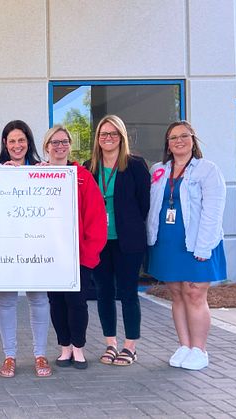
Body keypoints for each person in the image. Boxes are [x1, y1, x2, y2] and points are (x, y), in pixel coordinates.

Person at [147, 121, 227, 371]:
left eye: (184, 136)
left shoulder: (207, 170)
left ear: (193, 140)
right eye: (173, 138)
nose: (178, 141)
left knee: (194, 293)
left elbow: (213, 211)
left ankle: (199, 349)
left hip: (196, 241)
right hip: (168, 241)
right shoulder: (159, 170)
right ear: (167, 145)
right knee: (177, 293)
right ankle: (184, 345)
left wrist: (203, 247)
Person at [85, 115, 150, 366]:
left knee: (128, 293)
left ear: (121, 137)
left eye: (113, 134)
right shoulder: (90, 166)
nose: (108, 138)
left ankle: (130, 346)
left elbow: (144, 204)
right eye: (103, 134)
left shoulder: (134, 165)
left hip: (128, 241)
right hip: (99, 241)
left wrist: (129, 223)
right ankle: (110, 343)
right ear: (98, 139)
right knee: (103, 293)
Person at [42, 125, 107, 370]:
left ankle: (78, 347)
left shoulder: (82, 176)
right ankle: (64, 347)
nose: (60, 146)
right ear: (46, 147)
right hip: (49, 256)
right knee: (56, 302)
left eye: (64, 141)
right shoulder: (36, 175)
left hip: (78, 255)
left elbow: (96, 217)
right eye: (55, 142)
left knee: (77, 302)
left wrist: (89, 255)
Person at [0, 120, 51, 378]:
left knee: (38, 298)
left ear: (29, 143)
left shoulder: (41, 169)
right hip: (5, 244)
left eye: (21, 140)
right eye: (12, 141)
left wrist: (50, 176)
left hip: (35, 244)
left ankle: (40, 354)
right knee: (6, 300)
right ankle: (9, 356)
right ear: (5, 144)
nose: (17, 146)